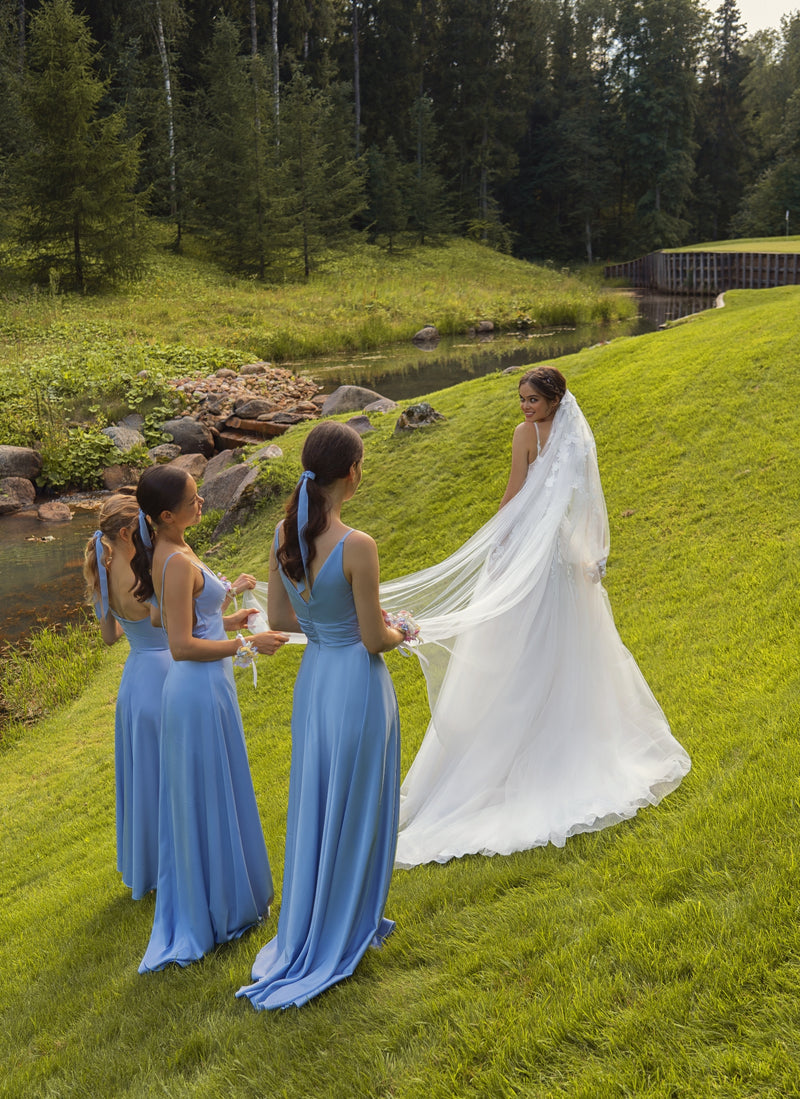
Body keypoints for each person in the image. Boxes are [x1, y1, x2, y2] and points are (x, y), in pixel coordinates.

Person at [379, 366, 691, 867]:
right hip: (531, 551)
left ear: (554, 398)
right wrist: (500, 546)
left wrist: (591, 553)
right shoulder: (525, 435)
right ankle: (507, 743)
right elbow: (516, 493)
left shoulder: (573, 435)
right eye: (520, 398)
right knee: (519, 649)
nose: (524, 406)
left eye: (532, 399)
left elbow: (589, 497)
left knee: (569, 648)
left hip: (562, 557)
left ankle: (565, 742)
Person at [236, 421, 405, 1011]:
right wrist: (401, 627)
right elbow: (374, 639)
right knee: (356, 803)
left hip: (316, 685)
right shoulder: (357, 545)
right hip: (357, 682)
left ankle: (317, 921)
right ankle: (347, 927)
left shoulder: (287, 534)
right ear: (352, 473)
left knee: (320, 801)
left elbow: (280, 623)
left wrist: (332, 622)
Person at [131, 465, 288, 972]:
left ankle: (230, 896)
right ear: (166, 516)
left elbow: (185, 620)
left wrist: (229, 621)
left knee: (218, 787)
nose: (202, 503)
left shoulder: (176, 549)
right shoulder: (174, 560)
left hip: (210, 687)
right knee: (205, 794)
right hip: (195, 691)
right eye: (194, 499)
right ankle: (214, 908)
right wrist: (248, 643)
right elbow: (179, 645)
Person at [83, 491, 170, 899]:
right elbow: (167, 621)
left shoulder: (102, 567)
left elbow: (109, 637)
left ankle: (148, 867)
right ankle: (174, 860)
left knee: (143, 776)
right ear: (125, 531)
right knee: (169, 774)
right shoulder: (144, 567)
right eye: (144, 527)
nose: (151, 532)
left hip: (134, 681)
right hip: (163, 674)